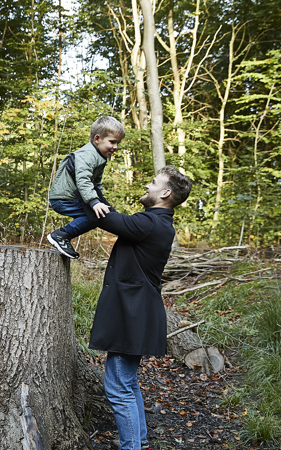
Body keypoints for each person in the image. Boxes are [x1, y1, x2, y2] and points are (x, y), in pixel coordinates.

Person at [88, 166, 192, 450]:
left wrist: (87, 191)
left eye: (153, 182)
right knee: (127, 383)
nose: (147, 185)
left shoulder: (150, 224)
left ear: (166, 193)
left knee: (118, 386)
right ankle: (139, 441)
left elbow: (107, 219)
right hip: (136, 313)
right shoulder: (157, 223)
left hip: (132, 315)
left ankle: (132, 446)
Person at [46, 116, 125, 259]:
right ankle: (61, 235)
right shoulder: (87, 155)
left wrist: (103, 202)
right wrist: (94, 202)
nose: (115, 147)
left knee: (102, 213)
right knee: (96, 216)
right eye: (112, 142)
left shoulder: (100, 156)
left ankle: (62, 235)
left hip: (72, 198)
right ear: (97, 139)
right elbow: (83, 180)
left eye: (118, 143)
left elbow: (96, 184)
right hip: (64, 199)